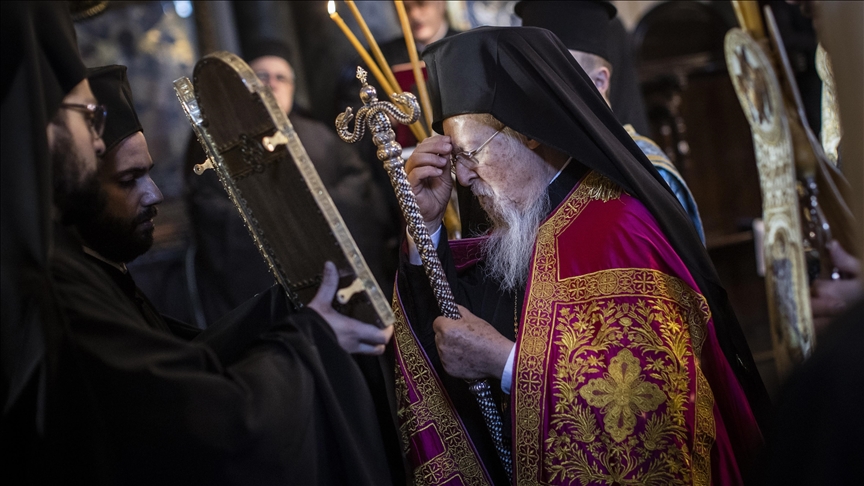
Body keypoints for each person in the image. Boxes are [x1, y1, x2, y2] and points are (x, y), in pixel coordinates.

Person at [394, 27, 768, 485]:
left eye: (472, 153)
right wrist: (425, 228)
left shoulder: (619, 231)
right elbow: (451, 332)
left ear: (529, 134)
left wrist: (507, 364)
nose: (465, 178)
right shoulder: (520, 229)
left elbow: (653, 415)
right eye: (456, 160)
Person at [34, 42, 394, 483]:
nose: (156, 195)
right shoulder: (58, 287)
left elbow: (185, 355)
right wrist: (312, 336)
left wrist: (286, 306)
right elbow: (203, 414)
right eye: (129, 180)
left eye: (148, 173)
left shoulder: (320, 135)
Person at [184, 39, 395, 326]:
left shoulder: (322, 136)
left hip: (334, 283)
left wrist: (312, 211)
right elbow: (210, 210)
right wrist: (276, 222)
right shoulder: (217, 145)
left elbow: (360, 188)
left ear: (293, 88)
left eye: (281, 77)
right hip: (264, 291)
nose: (271, 84)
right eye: (260, 76)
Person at [514, 0, 706, 244]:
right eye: (534, 80)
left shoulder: (649, 175)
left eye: (556, 81)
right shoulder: (526, 170)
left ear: (600, 82)